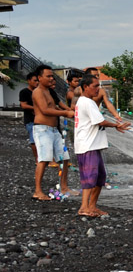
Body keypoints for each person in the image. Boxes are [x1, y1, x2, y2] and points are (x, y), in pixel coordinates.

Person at [74, 73, 131, 216]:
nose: (98, 89)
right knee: (89, 177)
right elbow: (100, 121)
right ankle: (83, 207)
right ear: (85, 87)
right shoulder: (86, 102)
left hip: (94, 145)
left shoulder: (88, 101)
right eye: (95, 86)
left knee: (100, 177)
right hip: (87, 145)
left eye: (98, 86)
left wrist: (115, 124)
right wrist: (116, 125)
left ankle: (92, 206)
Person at [31, 66, 74, 200]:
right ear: (40, 78)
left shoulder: (49, 92)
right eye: (48, 76)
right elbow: (45, 110)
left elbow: (54, 107)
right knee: (44, 159)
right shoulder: (38, 92)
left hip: (54, 130)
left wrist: (69, 111)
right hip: (42, 129)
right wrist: (65, 113)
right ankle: (37, 191)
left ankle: (64, 187)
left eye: (52, 76)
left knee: (65, 158)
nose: (51, 79)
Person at [18, 72, 39, 159]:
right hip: (30, 120)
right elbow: (23, 105)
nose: (37, 82)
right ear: (29, 81)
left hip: (40, 119)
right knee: (33, 140)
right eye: (35, 80)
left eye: (38, 80)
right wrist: (36, 108)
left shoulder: (39, 92)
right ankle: (37, 159)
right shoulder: (24, 92)